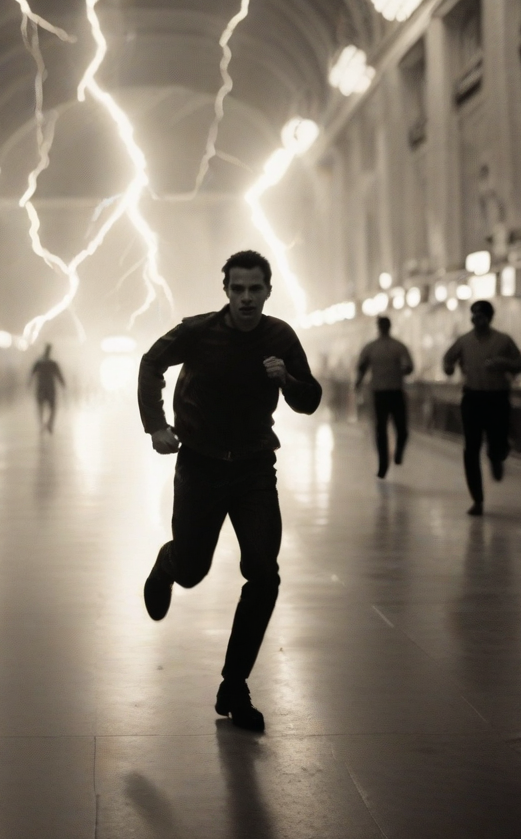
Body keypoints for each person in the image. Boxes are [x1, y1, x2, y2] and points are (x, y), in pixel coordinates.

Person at [138, 250, 322, 732]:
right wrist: (155, 426)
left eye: (254, 289)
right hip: (199, 467)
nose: (246, 297)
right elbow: (150, 362)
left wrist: (288, 380)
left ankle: (234, 685)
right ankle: (169, 562)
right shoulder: (198, 332)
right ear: (225, 291)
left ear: (267, 291)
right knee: (194, 570)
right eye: (237, 288)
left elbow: (310, 399)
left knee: (264, 574)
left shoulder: (280, 336)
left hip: (255, 470)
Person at [443, 300, 521, 516]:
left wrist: (503, 363)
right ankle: (477, 499)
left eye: (480, 316)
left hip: (497, 398)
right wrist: (449, 367)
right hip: (473, 398)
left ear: (489, 318)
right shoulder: (464, 341)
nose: (476, 320)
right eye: (473, 316)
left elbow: (520, 363)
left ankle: (496, 455)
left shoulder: (503, 340)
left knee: (497, 441)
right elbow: (448, 358)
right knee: (471, 448)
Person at [355, 316, 414, 478]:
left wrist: (358, 384)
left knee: (391, 430)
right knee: (388, 429)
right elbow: (409, 367)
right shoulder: (396, 347)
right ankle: (384, 464)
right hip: (386, 392)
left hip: (387, 392)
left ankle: (392, 457)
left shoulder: (374, 347)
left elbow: (361, 368)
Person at [30, 343, 64, 433]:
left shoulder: (39, 363)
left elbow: (32, 374)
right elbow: (59, 375)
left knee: (40, 406)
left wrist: (29, 383)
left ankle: (42, 424)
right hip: (50, 388)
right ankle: (49, 423)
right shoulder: (53, 363)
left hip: (41, 387)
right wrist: (63, 384)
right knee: (53, 407)